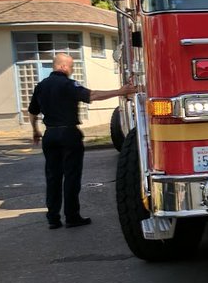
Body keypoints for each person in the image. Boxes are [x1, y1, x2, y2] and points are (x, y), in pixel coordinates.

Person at [29, 52, 137, 229]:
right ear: (63, 66)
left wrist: (35, 131)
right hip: (68, 134)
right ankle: (72, 217)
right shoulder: (68, 84)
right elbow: (92, 95)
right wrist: (120, 91)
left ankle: (53, 218)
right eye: (70, 66)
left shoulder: (41, 86)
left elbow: (32, 112)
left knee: (53, 176)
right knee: (71, 176)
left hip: (50, 135)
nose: (71, 70)